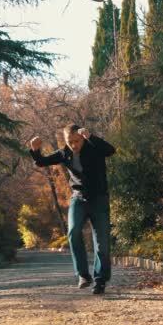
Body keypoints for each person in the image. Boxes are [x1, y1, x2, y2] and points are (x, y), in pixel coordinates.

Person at [29, 123, 115, 294]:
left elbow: (111, 150)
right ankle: (83, 275)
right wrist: (35, 150)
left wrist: (91, 137)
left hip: (99, 199)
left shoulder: (93, 147)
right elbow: (41, 162)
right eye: (70, 142)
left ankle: (100, 280)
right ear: (65, 140)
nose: (74, 145)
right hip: (78, 198)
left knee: (102, 244)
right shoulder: (64, 153)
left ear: (82, 137)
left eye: (76, 141)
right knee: (73, 232)